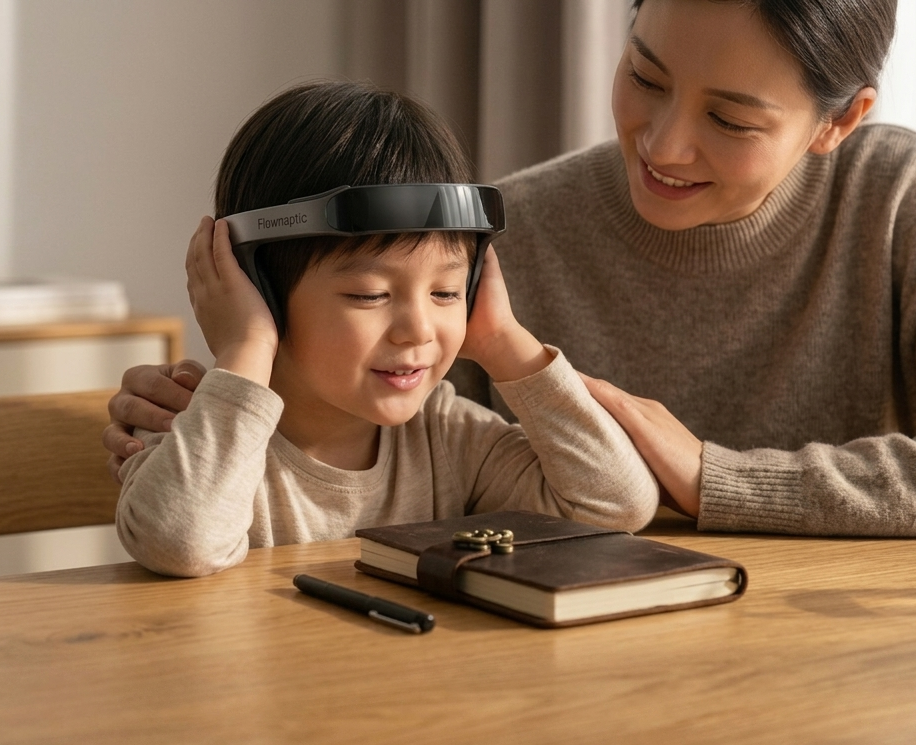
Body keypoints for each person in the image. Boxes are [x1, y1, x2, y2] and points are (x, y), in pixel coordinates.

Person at [104, 0, 916, 539]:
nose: (663, 145)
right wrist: (224, 389)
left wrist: (723, 480)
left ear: (840, 121)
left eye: (730, 119)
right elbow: (358, 407)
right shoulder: (502, 233)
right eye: (645, 77)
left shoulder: (895, 197)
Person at [114, 81, 657, 577]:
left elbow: (616, 506)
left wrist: (502, 341)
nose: (418, 328)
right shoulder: (198, 429)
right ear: (255, 288)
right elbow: (180, 541)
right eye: (369, 295)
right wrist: (247, 346)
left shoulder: (447, 435)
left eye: (446, 291)